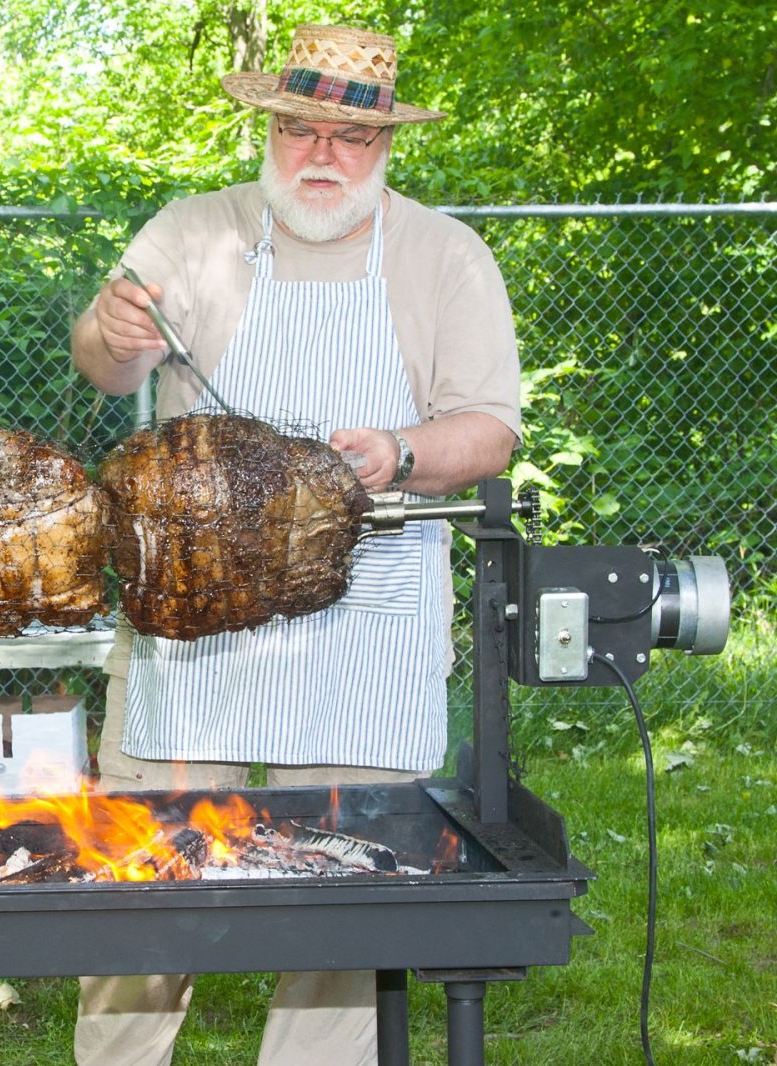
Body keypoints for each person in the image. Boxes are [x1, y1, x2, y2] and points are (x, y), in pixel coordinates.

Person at [70, 22, 521, 1066]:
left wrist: (399, 452)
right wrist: (112, 331)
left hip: (366, 614)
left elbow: (489, 429)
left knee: (349, 897)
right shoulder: (191, 230)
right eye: (300, 129)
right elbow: (103, 362)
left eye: (349, 138)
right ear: (267, 129)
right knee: (140, 879)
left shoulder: (444, 256)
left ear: (386, 148)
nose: (322, 154)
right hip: (192, 619)